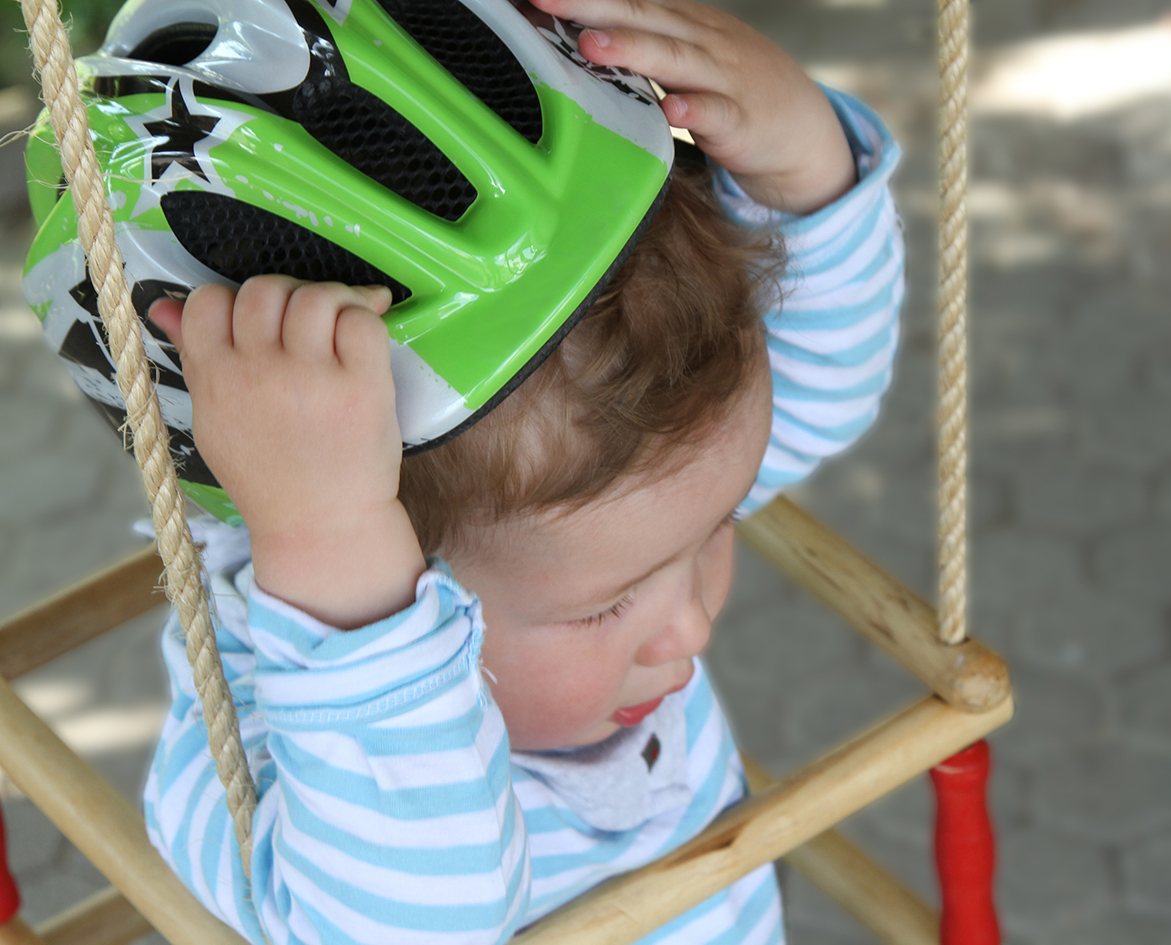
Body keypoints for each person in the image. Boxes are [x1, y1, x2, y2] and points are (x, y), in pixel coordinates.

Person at [140, 0, 904, 941]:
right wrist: (334, 553)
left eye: (714, 531)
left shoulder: (603, 523)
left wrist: (804, 162)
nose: (693, 624)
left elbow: (822, 392)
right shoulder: (259, 741)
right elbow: (416, 926)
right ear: (404, 569)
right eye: (603, 607)